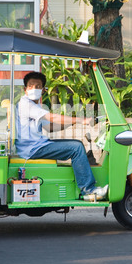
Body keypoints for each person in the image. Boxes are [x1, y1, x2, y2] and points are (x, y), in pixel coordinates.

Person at [15, 71, 108, 200]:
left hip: (36, 145)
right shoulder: (26, 104)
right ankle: (89, 191)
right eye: (30, 86)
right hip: (32, 148)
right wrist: (80, 120)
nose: (34, 89)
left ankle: (87, 187)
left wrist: (73, 123)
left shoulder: (34, 105)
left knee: (77, 145)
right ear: (25, 89)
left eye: (37, 86)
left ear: (43, 90)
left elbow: (50, 127)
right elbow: (52, 117)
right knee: (76, 148)